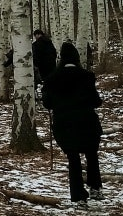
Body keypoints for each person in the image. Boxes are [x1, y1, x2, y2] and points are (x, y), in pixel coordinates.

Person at [41, 41, 104, 205]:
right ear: (76, 58)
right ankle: (95, 187)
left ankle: (78, 196)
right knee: (91, 154)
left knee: (73, 158)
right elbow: (96, 101)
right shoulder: (87, 76)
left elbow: (47, 104)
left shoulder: (52, 79)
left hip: (64, 123)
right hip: (87, 121)